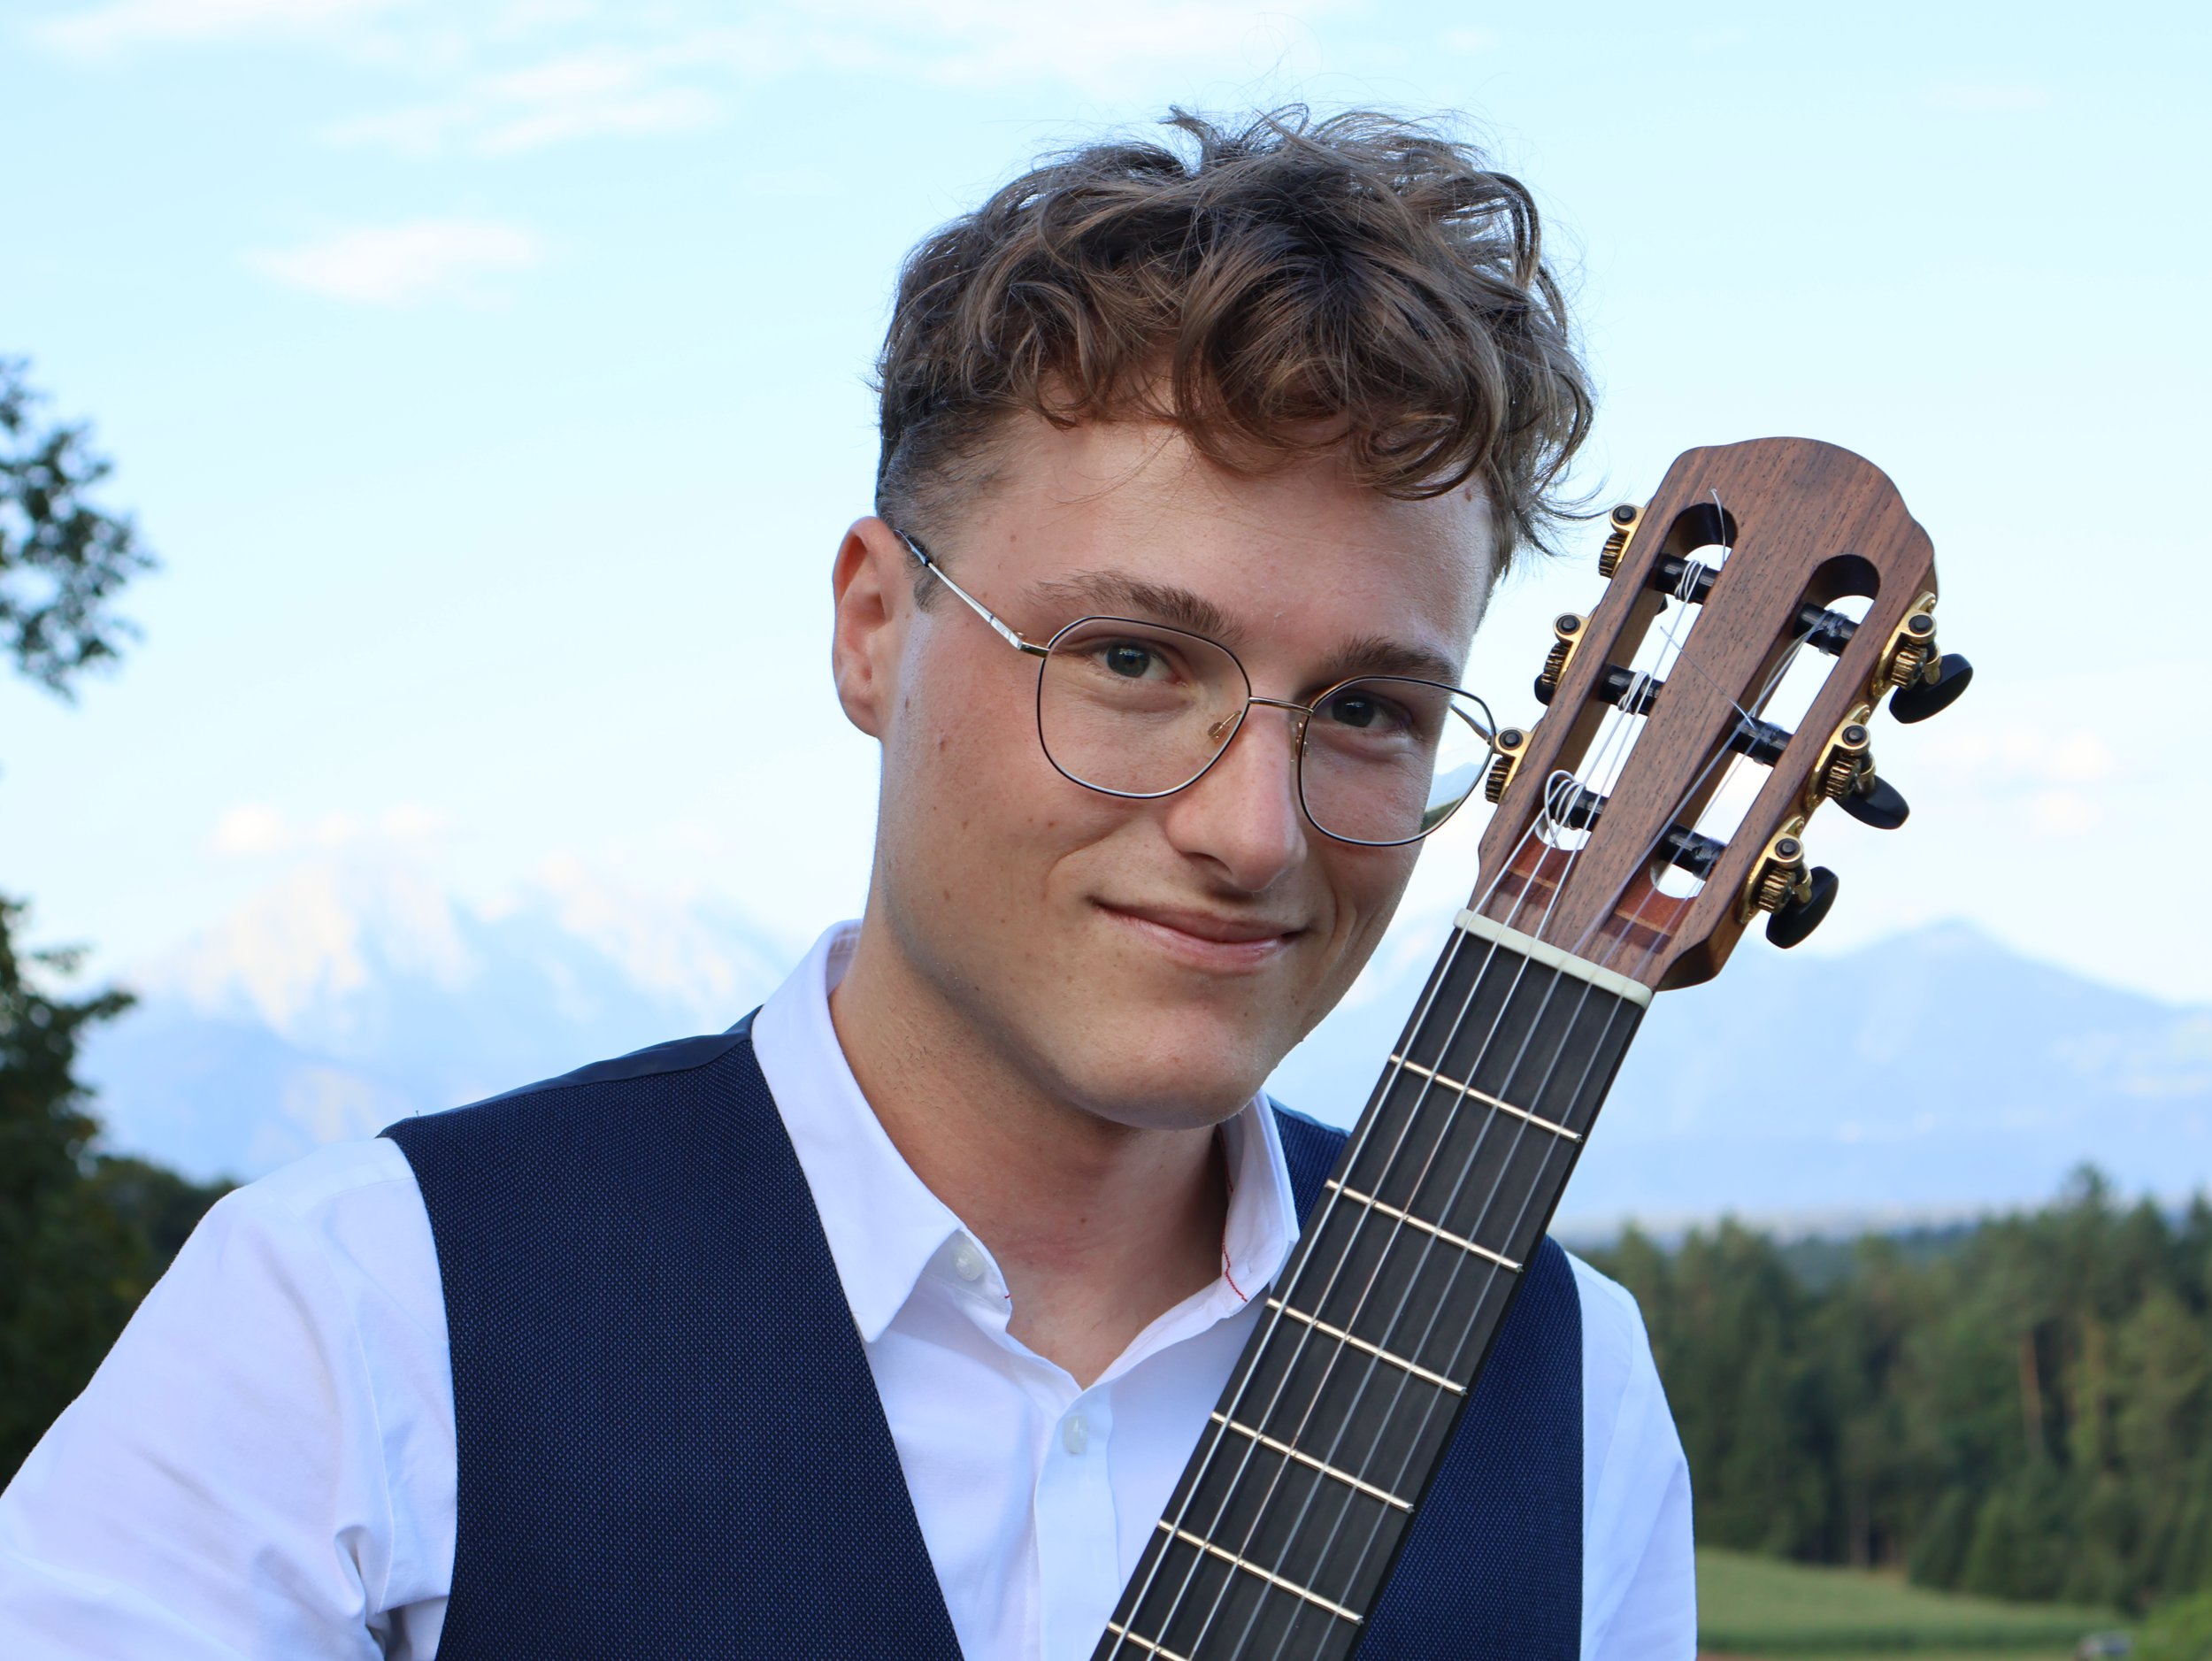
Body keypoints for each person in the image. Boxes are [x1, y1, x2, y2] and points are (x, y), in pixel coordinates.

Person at [0, 108, 1692, 1659]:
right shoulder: (357, 1317)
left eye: (1369, 711)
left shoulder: (1567, 1392)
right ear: (876, 624)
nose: (1255, 829)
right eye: (1128, 657)